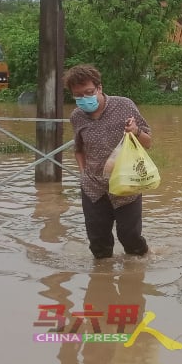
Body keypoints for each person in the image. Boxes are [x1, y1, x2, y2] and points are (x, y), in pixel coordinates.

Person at [63, 64, 151, 259]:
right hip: (94, 187)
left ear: (99, 88)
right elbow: (78, 149)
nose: (84, 99)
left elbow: (148, 142)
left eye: (89, 92)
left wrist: (135, 131)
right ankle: (102, 280)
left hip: (127, 184)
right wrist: (83, 173)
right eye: (78, 96)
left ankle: (141, 266)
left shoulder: (124, 105)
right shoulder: (77, 117)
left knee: (130, 237)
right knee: (98, 243)